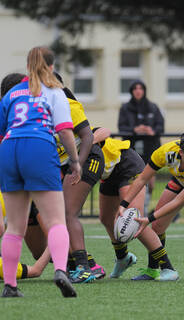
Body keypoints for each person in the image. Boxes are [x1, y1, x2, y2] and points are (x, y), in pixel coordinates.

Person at [0, 72, 106, 283]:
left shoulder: (61, 103)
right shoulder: (24, 108)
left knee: (65, 213)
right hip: (38, 164)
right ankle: (69, 264)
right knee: (32, 234)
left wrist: (76, 164)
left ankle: (84, 267)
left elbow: (92, 134)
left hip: (84, 159)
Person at [0, 46, 81, 298]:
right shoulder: (55, 92)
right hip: (38, 146)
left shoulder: (12, 93)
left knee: (14, 226)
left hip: (10, 148)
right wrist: (75, 161)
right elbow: (65, 130)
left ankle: (10, 285)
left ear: (27, 66)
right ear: (51, 67)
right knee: (56, 220)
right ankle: (60, 271)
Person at [119, 130, 184, 282]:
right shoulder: (165, 153)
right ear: (181, 152)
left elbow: (178, 202)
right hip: (181, 179)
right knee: (158, 225)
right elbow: (142, 179)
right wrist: (123, 204)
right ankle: (152, 270)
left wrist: (148, 217)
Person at [93, 128, 178, 281]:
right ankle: (123, 258)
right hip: (108, 174)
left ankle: (168, 268)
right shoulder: (58, 149)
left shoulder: (76, 130)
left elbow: (105, 130)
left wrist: (89, 141)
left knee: (133, 219)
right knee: (106, 218)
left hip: (126, 164)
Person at [118, 80, 164, 214]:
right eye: (135, 88)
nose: (138, 91)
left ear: (144, 90)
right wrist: (134, 130)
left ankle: (145, 205)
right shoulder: (125, 108)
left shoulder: (153, 107)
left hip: (150, 148)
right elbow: (122, 127)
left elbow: (160, 126)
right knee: (134, 180)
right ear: (132, 91)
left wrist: (152, 131)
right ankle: (134, 209)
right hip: (132, 149)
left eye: (141, 88)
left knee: (150, 182)